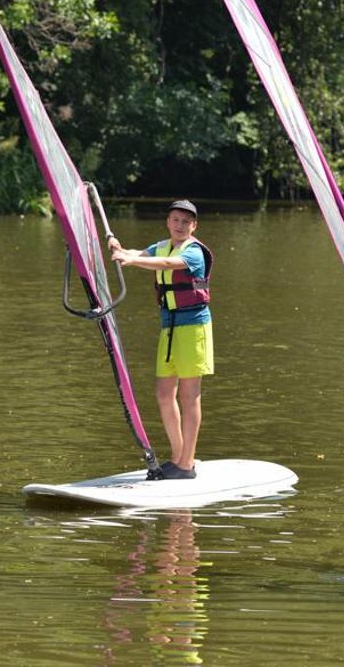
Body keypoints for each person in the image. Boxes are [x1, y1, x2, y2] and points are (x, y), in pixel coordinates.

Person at [109, 200, 213, 480]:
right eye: (175, 220)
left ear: (194, 226)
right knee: (164, 394)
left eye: (186, 222)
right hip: (169, 327)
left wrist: (133, 260)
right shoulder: (160, 245)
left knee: (189, 396)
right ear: (168, 222)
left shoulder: (193, 252)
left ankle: (187, 464)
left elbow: (168, 263)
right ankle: (179, 457)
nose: (180, 226)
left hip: (193, 328)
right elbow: (138, 253)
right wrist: (120, 250)